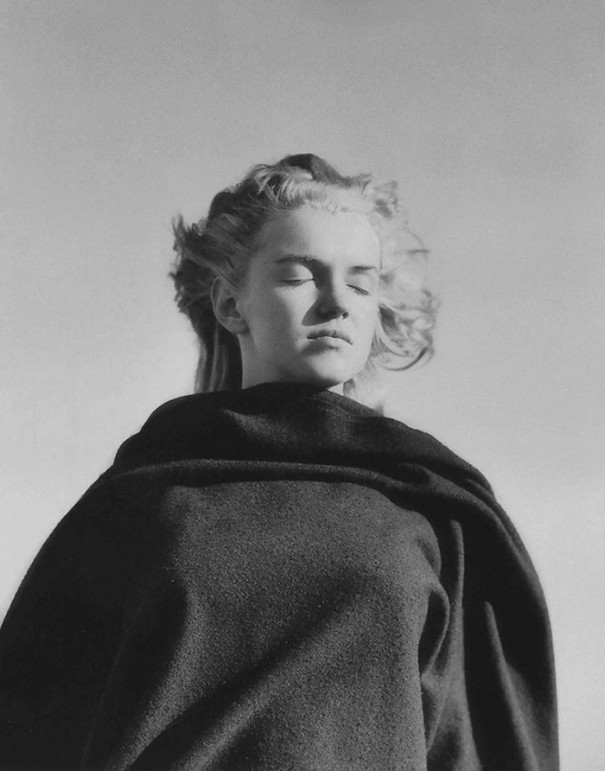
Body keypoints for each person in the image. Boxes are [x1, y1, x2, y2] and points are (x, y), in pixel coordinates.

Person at [0, 154, 558, 770]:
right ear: (230, 305)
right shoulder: (140, 502)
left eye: (360, 284)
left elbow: (472, 748)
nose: (336, 302)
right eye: (299, 276)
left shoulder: (431, 508)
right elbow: (30, 730)